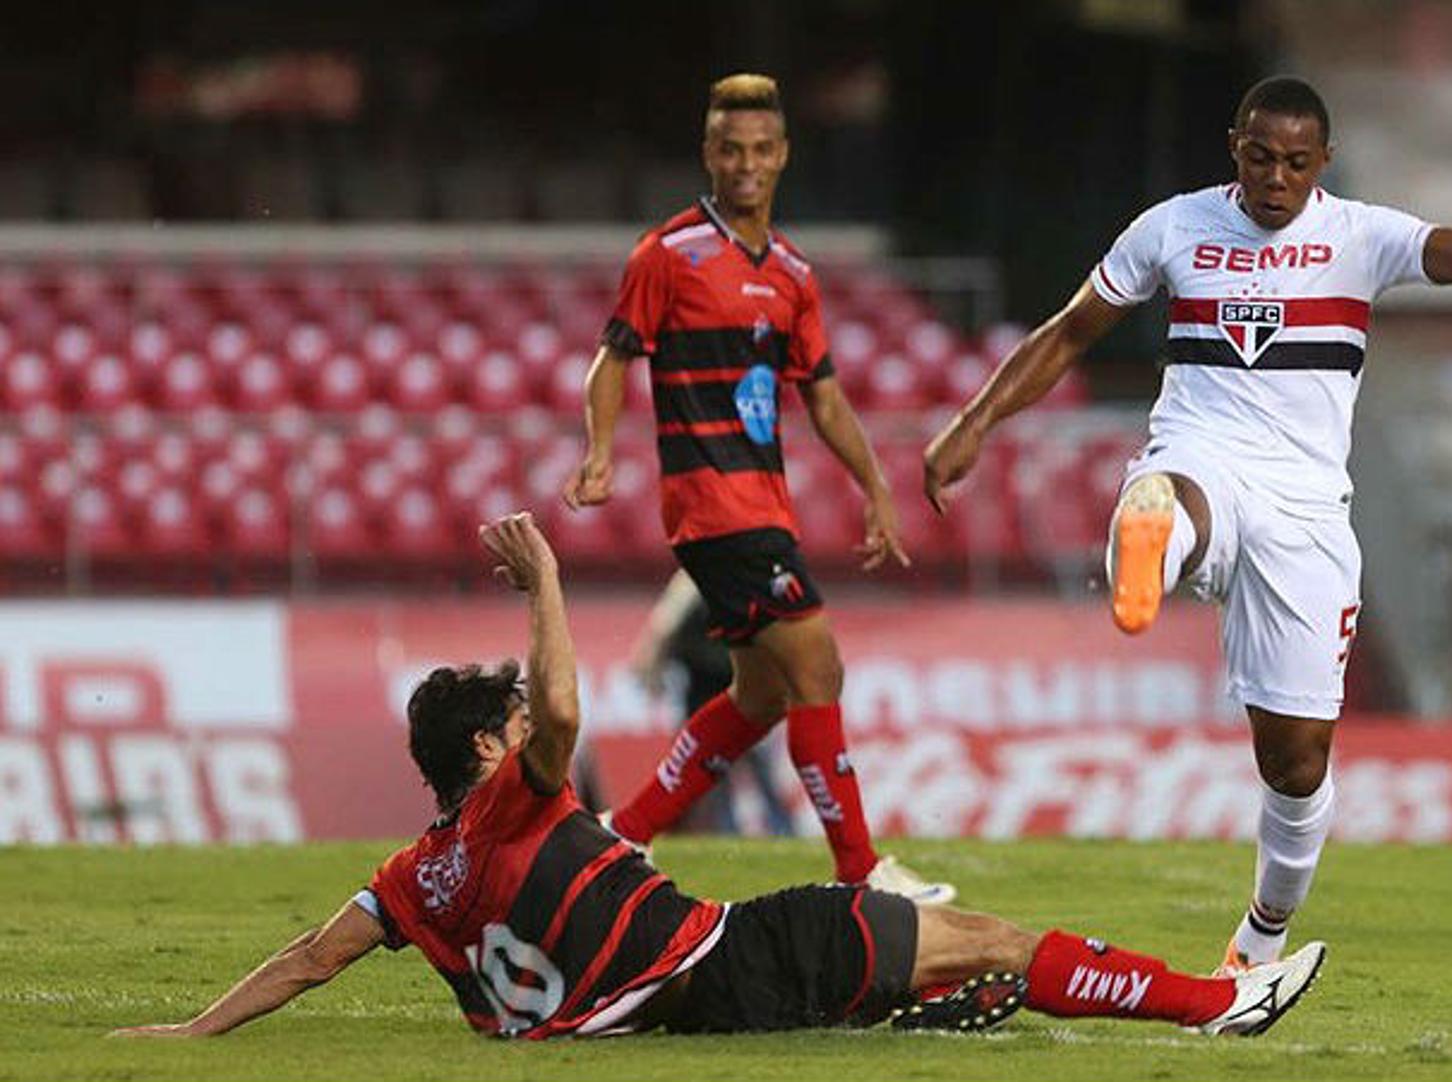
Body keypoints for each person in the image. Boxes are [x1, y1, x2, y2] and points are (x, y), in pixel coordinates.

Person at [112, 512, 1327, 1041]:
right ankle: (1214, 1001)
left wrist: (192, 1022)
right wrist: (543, 579)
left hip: (658, 994)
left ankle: (891, 995)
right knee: (988, 935)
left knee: (913, 959)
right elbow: (573, 706)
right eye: (516, 717)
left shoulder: (414, 873)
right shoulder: (508, 796)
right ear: (486, 750)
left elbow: (308, 957)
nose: (538, 723)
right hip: (719, 960)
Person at [923, 76, 1452, 975]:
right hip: (1203, 451)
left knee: (1296, 763)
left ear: (1322, 162)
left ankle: (1258, 942)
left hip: (1308, 506)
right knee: (1181, 499)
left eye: (1296, 161)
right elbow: (1067, 331)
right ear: (1234, 147)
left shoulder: (1362, 236)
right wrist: (973, 422)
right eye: (1260, 156)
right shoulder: (1172, 227)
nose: (1275, 178)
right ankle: (1151, 536)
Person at [562, 73, 950, 903]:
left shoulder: (794, 275)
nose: (745, 164)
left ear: (782, 156)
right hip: (712, 503)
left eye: (760, 150)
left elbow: (825, 395)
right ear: (709, 154)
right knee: (819, 667)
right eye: (729, 150)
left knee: (763, 692)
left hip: (763, 503)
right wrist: (599, 452)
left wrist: (876, 488)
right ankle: (860, 871)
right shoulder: (666, 254)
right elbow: (612, 357)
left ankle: (621, 833)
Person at [628, 569, 794, 836]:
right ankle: (754, 830)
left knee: (734, 765)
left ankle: (769, 828)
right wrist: (651, 664)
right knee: (725, 767)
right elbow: (664, 628)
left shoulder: (704, 574)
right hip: (714, 687)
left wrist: (650, 664)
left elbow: (662, 629)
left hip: (733, 686)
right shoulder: (697, 578)